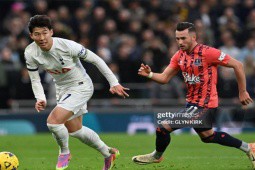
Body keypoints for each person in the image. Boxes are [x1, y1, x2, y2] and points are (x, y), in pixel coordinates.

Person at [132, 22, 255, 169]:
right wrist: (150, 74)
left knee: (162, 128)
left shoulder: (208, 52)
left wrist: (242, 91)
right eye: (177, 39)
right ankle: (249, 147)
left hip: (205, 104)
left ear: (194, 37)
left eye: (183, 38)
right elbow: (164, 78)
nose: (180, 42)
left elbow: (238, 65)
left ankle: (156, 156)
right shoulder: (179, 56)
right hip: (191, 104)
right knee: (208, 137)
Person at [25, 15, 129, 170]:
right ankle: (108, 153)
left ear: (51, 32)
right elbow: (35, 79)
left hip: (81, 86)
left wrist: (113, 82)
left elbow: (96, 59)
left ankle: (65, 152)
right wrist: (40, 98)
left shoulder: (67, 46)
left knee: (53, 121)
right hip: (62, 89)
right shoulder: (30, 52)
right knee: (75, 130)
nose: (41, 37)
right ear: (31, 35)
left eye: (44, 32)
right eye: (37, 34)